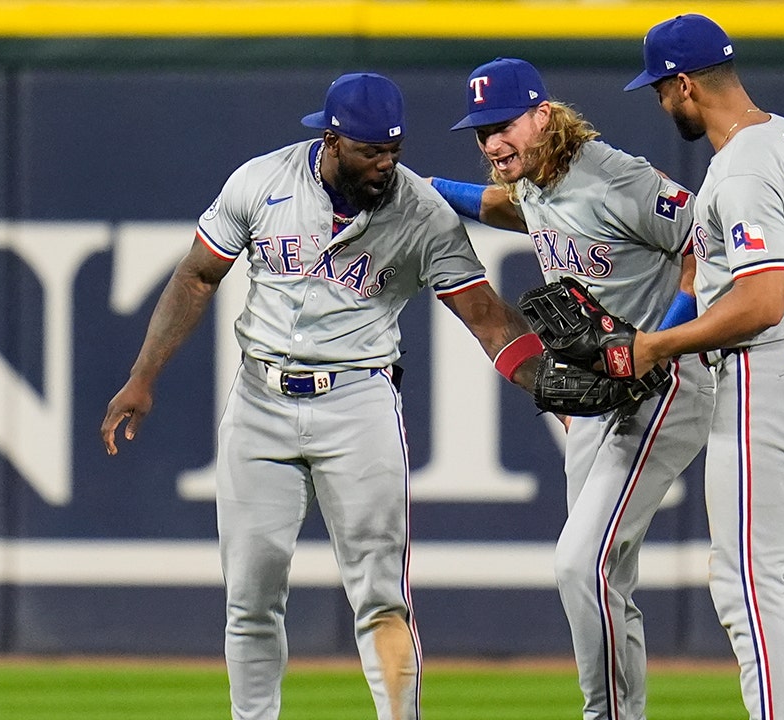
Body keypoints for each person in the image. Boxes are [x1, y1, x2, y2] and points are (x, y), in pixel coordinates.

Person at [100, 72, 543, 720]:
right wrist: (143, 376)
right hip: (260, 401)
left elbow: (487, 316)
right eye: (370, 150)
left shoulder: (419, 211)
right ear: (331, 139)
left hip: (358, 404)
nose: (385, 163)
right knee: (250, 598)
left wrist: (556, 386)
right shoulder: (262, 181)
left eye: (393, 150)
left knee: (381, 599)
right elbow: (197, 276)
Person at [429, 57, 714, 720]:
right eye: (481, 131)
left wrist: (658, 343)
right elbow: (507, 205)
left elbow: (711, 241)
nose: (492, 142)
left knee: (579, 564)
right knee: (600, 575)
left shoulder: (618, 178)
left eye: (503, 125)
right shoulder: (535, 179)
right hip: (596, 398)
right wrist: (425, 188)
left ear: (543, 114)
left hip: (662, 387)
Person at [624, 14, 784, 720]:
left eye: (663, 90)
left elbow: (758, 301)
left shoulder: (742, 167)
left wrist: (657, 345)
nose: (663, 103)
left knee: (745, 583)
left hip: (765, 373)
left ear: (685, 84)